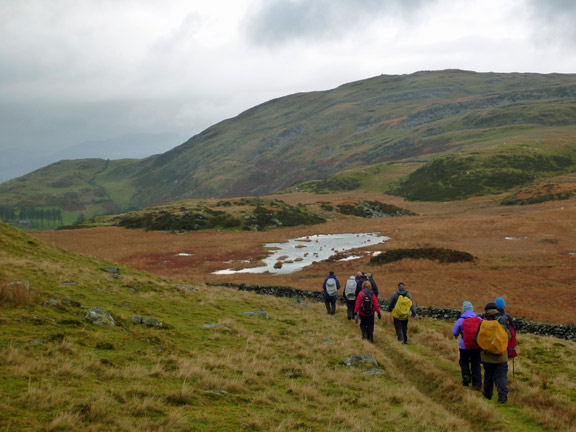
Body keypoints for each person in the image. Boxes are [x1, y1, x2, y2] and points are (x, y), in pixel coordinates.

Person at [480, 302, 513, 404]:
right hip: (501, 356)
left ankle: (487, 394)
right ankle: (502, 397)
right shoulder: (503, 321)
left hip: (487, 356)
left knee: (488, 375)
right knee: (501, 376)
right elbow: (510, 336)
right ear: (496, 310)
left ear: (486, 311)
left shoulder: (483, 322)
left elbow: (477, 338)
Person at [452, 301, 482, 390]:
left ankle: (466, 378)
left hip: (464, 346)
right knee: (476, 363)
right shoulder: (479, 319)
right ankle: (477, 384)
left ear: (463, 310)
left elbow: (454, 332)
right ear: (472, 309)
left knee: (464, 362)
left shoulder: (460, 320)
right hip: (476, 345)